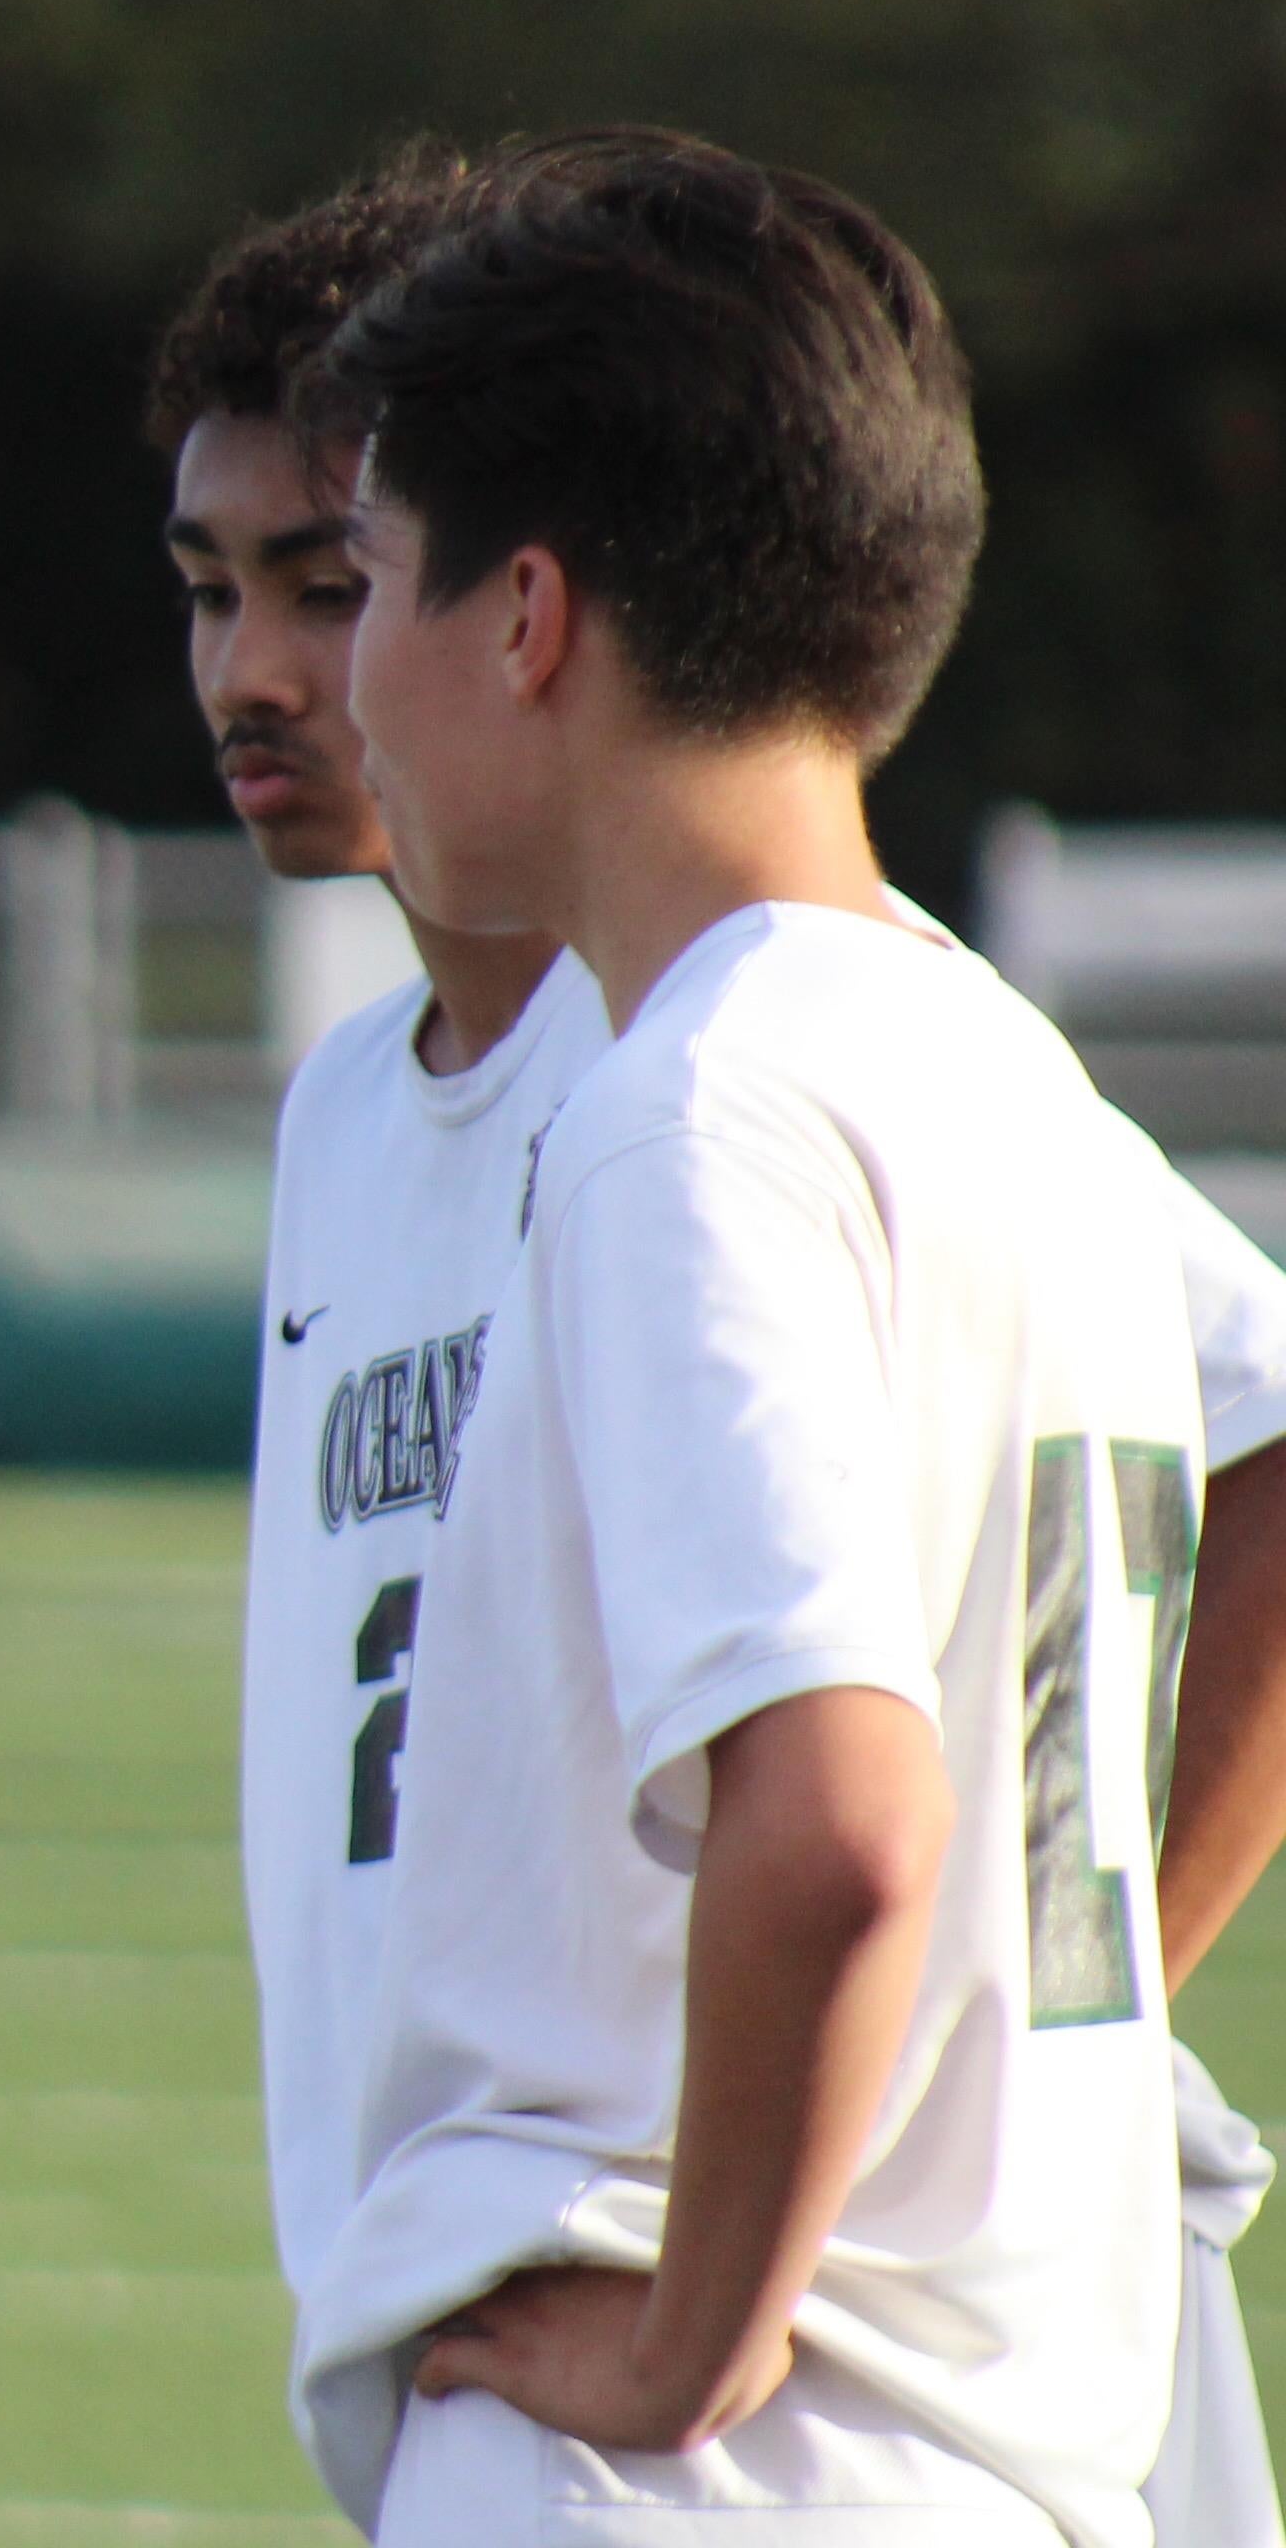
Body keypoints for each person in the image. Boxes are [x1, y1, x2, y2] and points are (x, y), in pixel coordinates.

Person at [162, 157, 1286, 2547]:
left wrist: (699, 2314)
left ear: (528, 615)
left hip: (731, 2443)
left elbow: (852, 1822)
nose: (294, 672)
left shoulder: (702, 1103)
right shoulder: (951, 1061)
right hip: (972, 2422)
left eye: (359, 584)